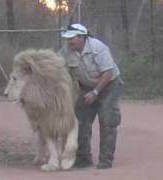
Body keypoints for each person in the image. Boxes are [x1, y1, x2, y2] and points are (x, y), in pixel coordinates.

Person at [59, 24, 124, 169]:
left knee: (108, 120)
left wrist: (95, 93)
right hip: (86, 87)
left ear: (82, 37)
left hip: (109, 86)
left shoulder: (98, 48)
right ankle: (83, 159)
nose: (69, 41)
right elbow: (58, 67)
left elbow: (107, 72)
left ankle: (105, 160)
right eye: (67, 38)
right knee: (80, 121)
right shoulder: (66, 51)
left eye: (72, 38)